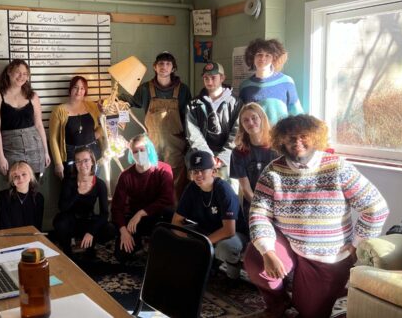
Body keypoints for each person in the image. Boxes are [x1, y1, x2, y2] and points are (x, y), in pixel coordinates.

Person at [244, 114, 389, 318]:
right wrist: (268, 252)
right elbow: (259, 213)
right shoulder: (273, 172)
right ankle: (277, 302)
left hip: (328, 252)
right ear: (281, 140)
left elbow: (375, 207)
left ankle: (318, 292)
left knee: (310, 312)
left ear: (316, 138)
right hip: (287, 240)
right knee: (256, 261)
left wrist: (358, 243)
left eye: (304, 136)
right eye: (290, 137)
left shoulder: (338, 168)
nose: (297, 142)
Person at [120, 51, 192, 197]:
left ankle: (174, 216)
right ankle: (153, 214)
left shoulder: (183, 90)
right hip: (151, 144)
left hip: (175, 145)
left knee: (175, 182)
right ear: (154, 66)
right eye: (160, 64)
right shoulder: (146, 89)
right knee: (151, 178)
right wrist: (112, 100)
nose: (164, 67)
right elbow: (129, 100)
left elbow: (189, 119)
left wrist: (189, 144)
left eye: (168, 64)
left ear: (173, 68)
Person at [172, 150, 248, 281]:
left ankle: (233, 276)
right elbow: (176, 222)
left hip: (234, 233)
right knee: (174, 235)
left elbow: (229, 230)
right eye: (194, 171)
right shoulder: (191, 188)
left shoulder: (223, 189)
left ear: (213, 171)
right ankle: (207, 265)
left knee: (225, 248)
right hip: (206, 230)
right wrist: (190, 239)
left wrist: (202, 242)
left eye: (202, 170)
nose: (198, 175)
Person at [111, 134, 175, 262]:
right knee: (121, 255)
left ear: (149, 150)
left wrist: (141, 213)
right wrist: (123, 231)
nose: (139, 154)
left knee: (169, 213)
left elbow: (167, 199)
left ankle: (158, 243)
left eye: (142, 150)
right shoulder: (125, 176)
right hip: (134, 221)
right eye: (135, 151)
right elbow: (116, 207)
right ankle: (139, 243)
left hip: (158, 216)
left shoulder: (164, 170)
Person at [0, 59, 50, 178]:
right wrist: (0, 157)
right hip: (11, 149)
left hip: (35, 148)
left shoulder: (33, 96)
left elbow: (39, 125)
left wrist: (46, 152)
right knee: (16, 186)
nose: (21, 76)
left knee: (34, 187)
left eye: (25, 74)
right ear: (9, 72)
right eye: (18, 72)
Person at [53, 147, 114, 257]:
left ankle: (89, 245)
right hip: (70, 221)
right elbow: (62, 207)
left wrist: (91, 232)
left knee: (110, 229)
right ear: (75, 164)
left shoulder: (100, 184)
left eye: (86, 160)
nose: (82, 164)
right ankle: (67, 249)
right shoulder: (69, 181)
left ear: (92, 161)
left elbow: (104, 214)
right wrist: (78, 192)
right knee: (60, 222)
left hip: (88, 220)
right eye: (78, 161)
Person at [185, 62, 239, 177]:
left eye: (213, 78)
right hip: (202, 155)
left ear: (222, 78)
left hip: (228, 157)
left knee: (227, 191)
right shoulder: (193, 105)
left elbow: (237, 132)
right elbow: (193, 134)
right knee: (202, 189)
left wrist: (223, 157)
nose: (209, 82)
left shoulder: (236, 103)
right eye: (206, 78)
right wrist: (207, 156)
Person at [239, 38, 303, 126]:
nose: (262, 58)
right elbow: (243, 117)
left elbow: (297, 113)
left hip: (281, 136)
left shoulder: (286, 82)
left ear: (274, 58)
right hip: (256, 138)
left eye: (268, 55)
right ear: (252, 57)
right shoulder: (245, 86)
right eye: (259, 54)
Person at [49, 76, 103, 179]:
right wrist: (58, 163)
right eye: (75, 87)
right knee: (73, 188)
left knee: (92, 186)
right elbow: (53, 139)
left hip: (93, 154)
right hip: (71, 156)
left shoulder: (92, 106)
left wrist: (95, 134)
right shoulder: (59, 110)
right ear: (70, 89)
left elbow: (103, 124)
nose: (79, 91)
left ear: (85, 91)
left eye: (82, 88)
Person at [229, 103, 278, 217]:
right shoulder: (238, 152)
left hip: (278, 204)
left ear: (262, 119)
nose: (250, 123)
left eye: (254, 118)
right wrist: (261, 209)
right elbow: (246, 190)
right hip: (254, 206)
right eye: (245, 120)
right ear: (242, 125)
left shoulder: (277, 147)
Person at [0, 161, 44, 231]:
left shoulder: (39, 198)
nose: (20, 178)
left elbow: (37, 226)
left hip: (31, 237)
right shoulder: (3, 197)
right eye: (15, 176)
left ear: (31, 177)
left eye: (24, 174)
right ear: (12, 181)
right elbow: (3, 226)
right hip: (9, 238)